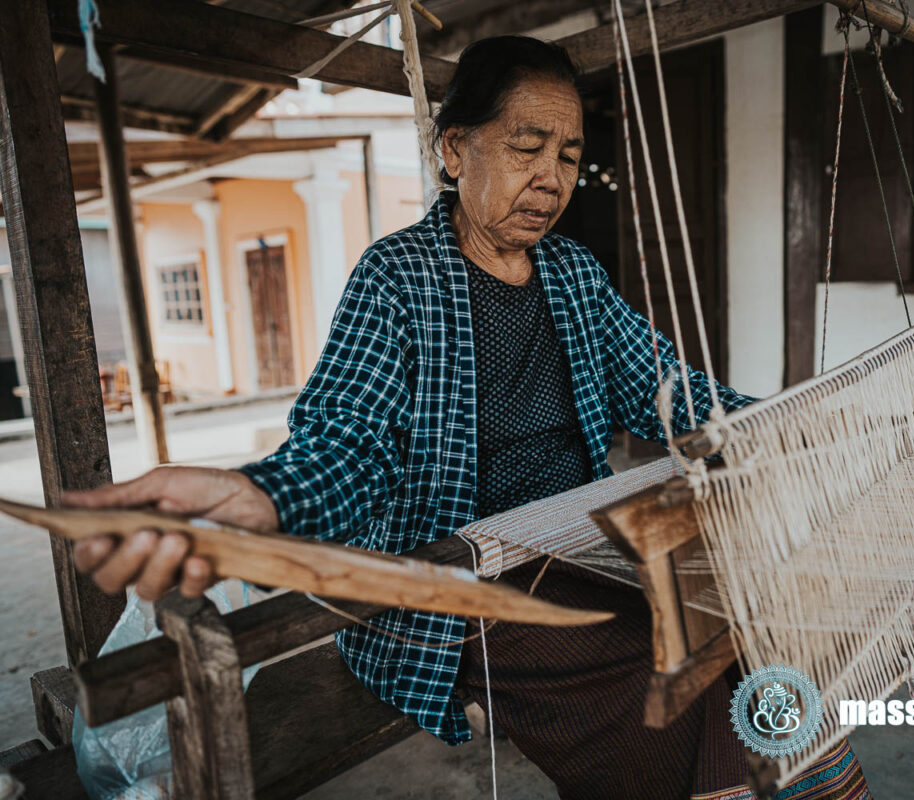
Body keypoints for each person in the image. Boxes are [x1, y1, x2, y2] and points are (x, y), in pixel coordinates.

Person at [65, 36, 870, 800]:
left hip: (582, 548)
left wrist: (793, 423)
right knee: (655, 671)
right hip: (456, 583)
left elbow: (668, 389)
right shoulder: (398, 279)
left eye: (568, 155)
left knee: (739, 622)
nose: (552, 178)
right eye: (527, 148)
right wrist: (261, 498)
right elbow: (350, 444)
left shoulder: (573, 274)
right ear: (455, 152)